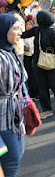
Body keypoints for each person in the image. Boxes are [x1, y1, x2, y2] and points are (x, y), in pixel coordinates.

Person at [21, 11, 55, 119]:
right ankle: (47, 109)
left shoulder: (53, 31)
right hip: (38, 62)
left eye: (38, 18)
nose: (36, 20)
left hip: (53, 62)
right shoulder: (37, 30)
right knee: (41, 86)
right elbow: (24, 34)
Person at [0, 13, 26, 177]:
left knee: (17, 155)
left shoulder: (11, 51)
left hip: (15, 117)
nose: (20, 32)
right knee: (11, 162)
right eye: (15, 28)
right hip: (2, 122)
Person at [23, 17, 38, 100]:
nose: (28, 26)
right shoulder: (24, 34)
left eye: (30, 25)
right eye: (27, 25)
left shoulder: (34, 34)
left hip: (33, 56)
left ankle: (35, 93)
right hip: (26, 56)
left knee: (34, 75)